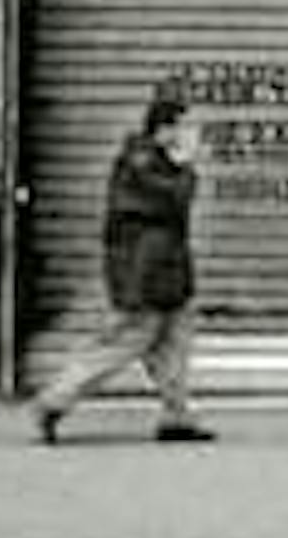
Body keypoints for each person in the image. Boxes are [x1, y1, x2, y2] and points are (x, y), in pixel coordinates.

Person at [31, 83, 216, 445]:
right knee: (124, 343)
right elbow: (175, 201)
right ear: (165, 129)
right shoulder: (143, 165)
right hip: (146, 273)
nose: (192, 136)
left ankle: (177, 417)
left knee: (173, 344)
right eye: (185, 127)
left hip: (167, 271)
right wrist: (186, 166)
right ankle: (53, 401)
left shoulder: (153, 161)